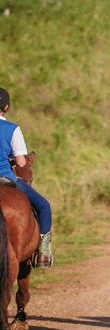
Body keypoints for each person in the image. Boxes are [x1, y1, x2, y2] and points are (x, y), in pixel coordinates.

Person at [0, 87, 53, 267]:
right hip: (7, 179)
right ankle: (44, 253)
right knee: (44, 206)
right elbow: (22, 163)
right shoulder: (12, 129)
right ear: (6, 107)